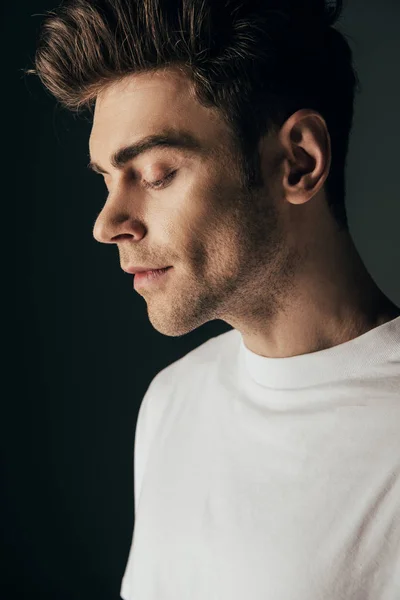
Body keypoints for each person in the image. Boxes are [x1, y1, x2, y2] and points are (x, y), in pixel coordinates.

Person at [27, 0, 400, 598]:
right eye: (105, 178)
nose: (107, 223)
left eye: (154, 173)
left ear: (297, 162)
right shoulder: (172, 398)